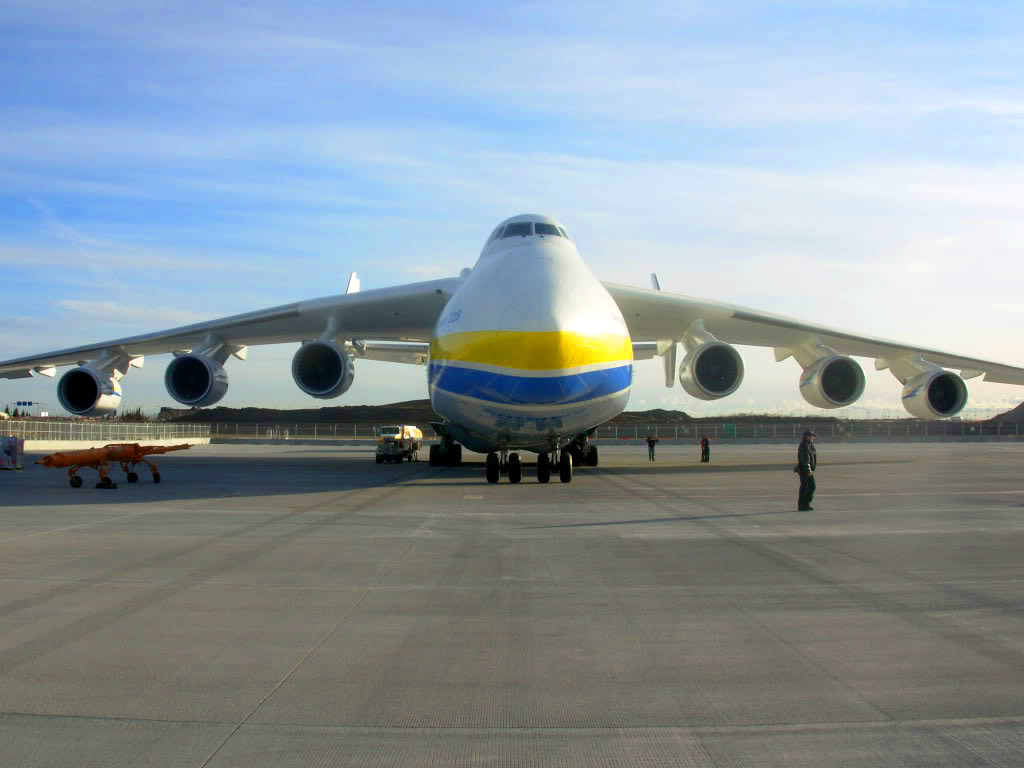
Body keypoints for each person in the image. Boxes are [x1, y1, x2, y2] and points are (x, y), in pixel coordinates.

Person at [795, 430, 817, 510]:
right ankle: (804, 504)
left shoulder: (809, 444)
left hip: (806, 469)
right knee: (811, 486)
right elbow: (805, 459)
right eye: (812, 436)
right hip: (805, 470)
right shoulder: (805, 445)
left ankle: (803, 505)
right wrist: (809, 470)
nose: (813, 437)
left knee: (805, 486)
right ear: (807, 436)